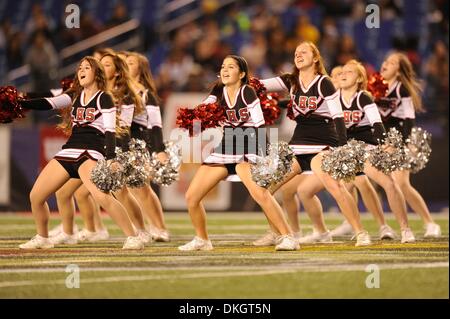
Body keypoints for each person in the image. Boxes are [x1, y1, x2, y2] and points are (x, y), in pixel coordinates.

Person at [18, 56, 143, 249]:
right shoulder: (75, 95)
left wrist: (110, 158)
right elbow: (49, 103)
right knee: (36, 196)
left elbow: (110, 131)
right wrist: (20, 103)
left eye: (87, 67)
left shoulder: (104, 98)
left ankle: (133, 236)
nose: (81, 71)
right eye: (80, 68)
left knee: (103, 197)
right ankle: (42, 238)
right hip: (69, 151)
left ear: (97, 73)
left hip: (90, 152)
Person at [178, 55, 299, 251]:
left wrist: (265, 155)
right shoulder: (218, 91)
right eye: (223, 66)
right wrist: (190, 124)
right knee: (192, 196)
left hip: (250, 143)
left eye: (231, 67)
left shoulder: (247, 92)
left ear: (241, 73)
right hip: (226, 144)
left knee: (260, 193)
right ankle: (202, 239)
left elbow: (259, 124)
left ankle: (288, 236)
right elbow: (201, 112)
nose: (225, 70)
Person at [256, 42, 372, 247]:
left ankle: (361, 232)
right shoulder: (291, 81)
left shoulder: (324, 82)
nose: (298, 55)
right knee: (266, 188)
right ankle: (278, 233)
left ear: (316, 58)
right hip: (298, 145)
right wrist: (237, 79)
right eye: (295, 53)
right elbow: (259, 85)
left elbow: (337, 116)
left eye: (303, 52)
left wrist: (342, 147)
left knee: (334, 187)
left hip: (323, 144)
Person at [298, 60, 415, 243]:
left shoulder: (363, 97)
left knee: (389, 183)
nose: (343, 74)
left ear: (360, 78)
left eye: (350, 72)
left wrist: (384, 144)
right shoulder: (333, 97)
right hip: (343, 151)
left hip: (365, 149)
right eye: (342, 71)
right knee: (305, 190)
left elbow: (376, 123)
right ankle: (321, 232)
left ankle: (404, 229)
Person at [377, 52, 441, 238]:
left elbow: (408, 120)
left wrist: (401, 146)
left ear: (399, 71)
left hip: (400, 139)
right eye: (386, 60)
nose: (385, 63)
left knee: (402, 184)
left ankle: (430, 223)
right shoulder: (375, 86)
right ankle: (381, 226)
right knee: (365, 181)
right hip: (381, 140)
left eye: (392, 62)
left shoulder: (401, 89)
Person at [125, 51, 170, 241]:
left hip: (138, 142)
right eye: (125, 62)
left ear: (141, 68)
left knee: (141, 189)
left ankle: (160, 228)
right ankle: (141, 229)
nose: (127, 65)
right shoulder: (117, 91)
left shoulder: (145, 94)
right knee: (126, 190)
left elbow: (156, 124)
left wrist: (159, 149)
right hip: (120, 142)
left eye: (132, 63)